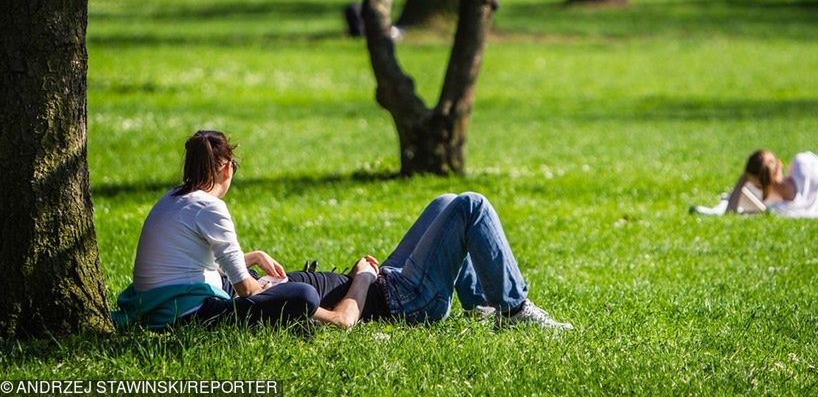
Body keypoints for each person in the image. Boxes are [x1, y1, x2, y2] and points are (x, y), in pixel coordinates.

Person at [112, 131, 571, 331]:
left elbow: (227, 277)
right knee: (471, 206)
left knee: (445, 203)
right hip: (401, 300)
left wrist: (254, 262)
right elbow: (255, 293)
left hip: (386, 283)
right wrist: (364, 278)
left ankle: (481, 305)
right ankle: (512, 309)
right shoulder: (210, 210)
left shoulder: (176, 203)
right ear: (227, 166)